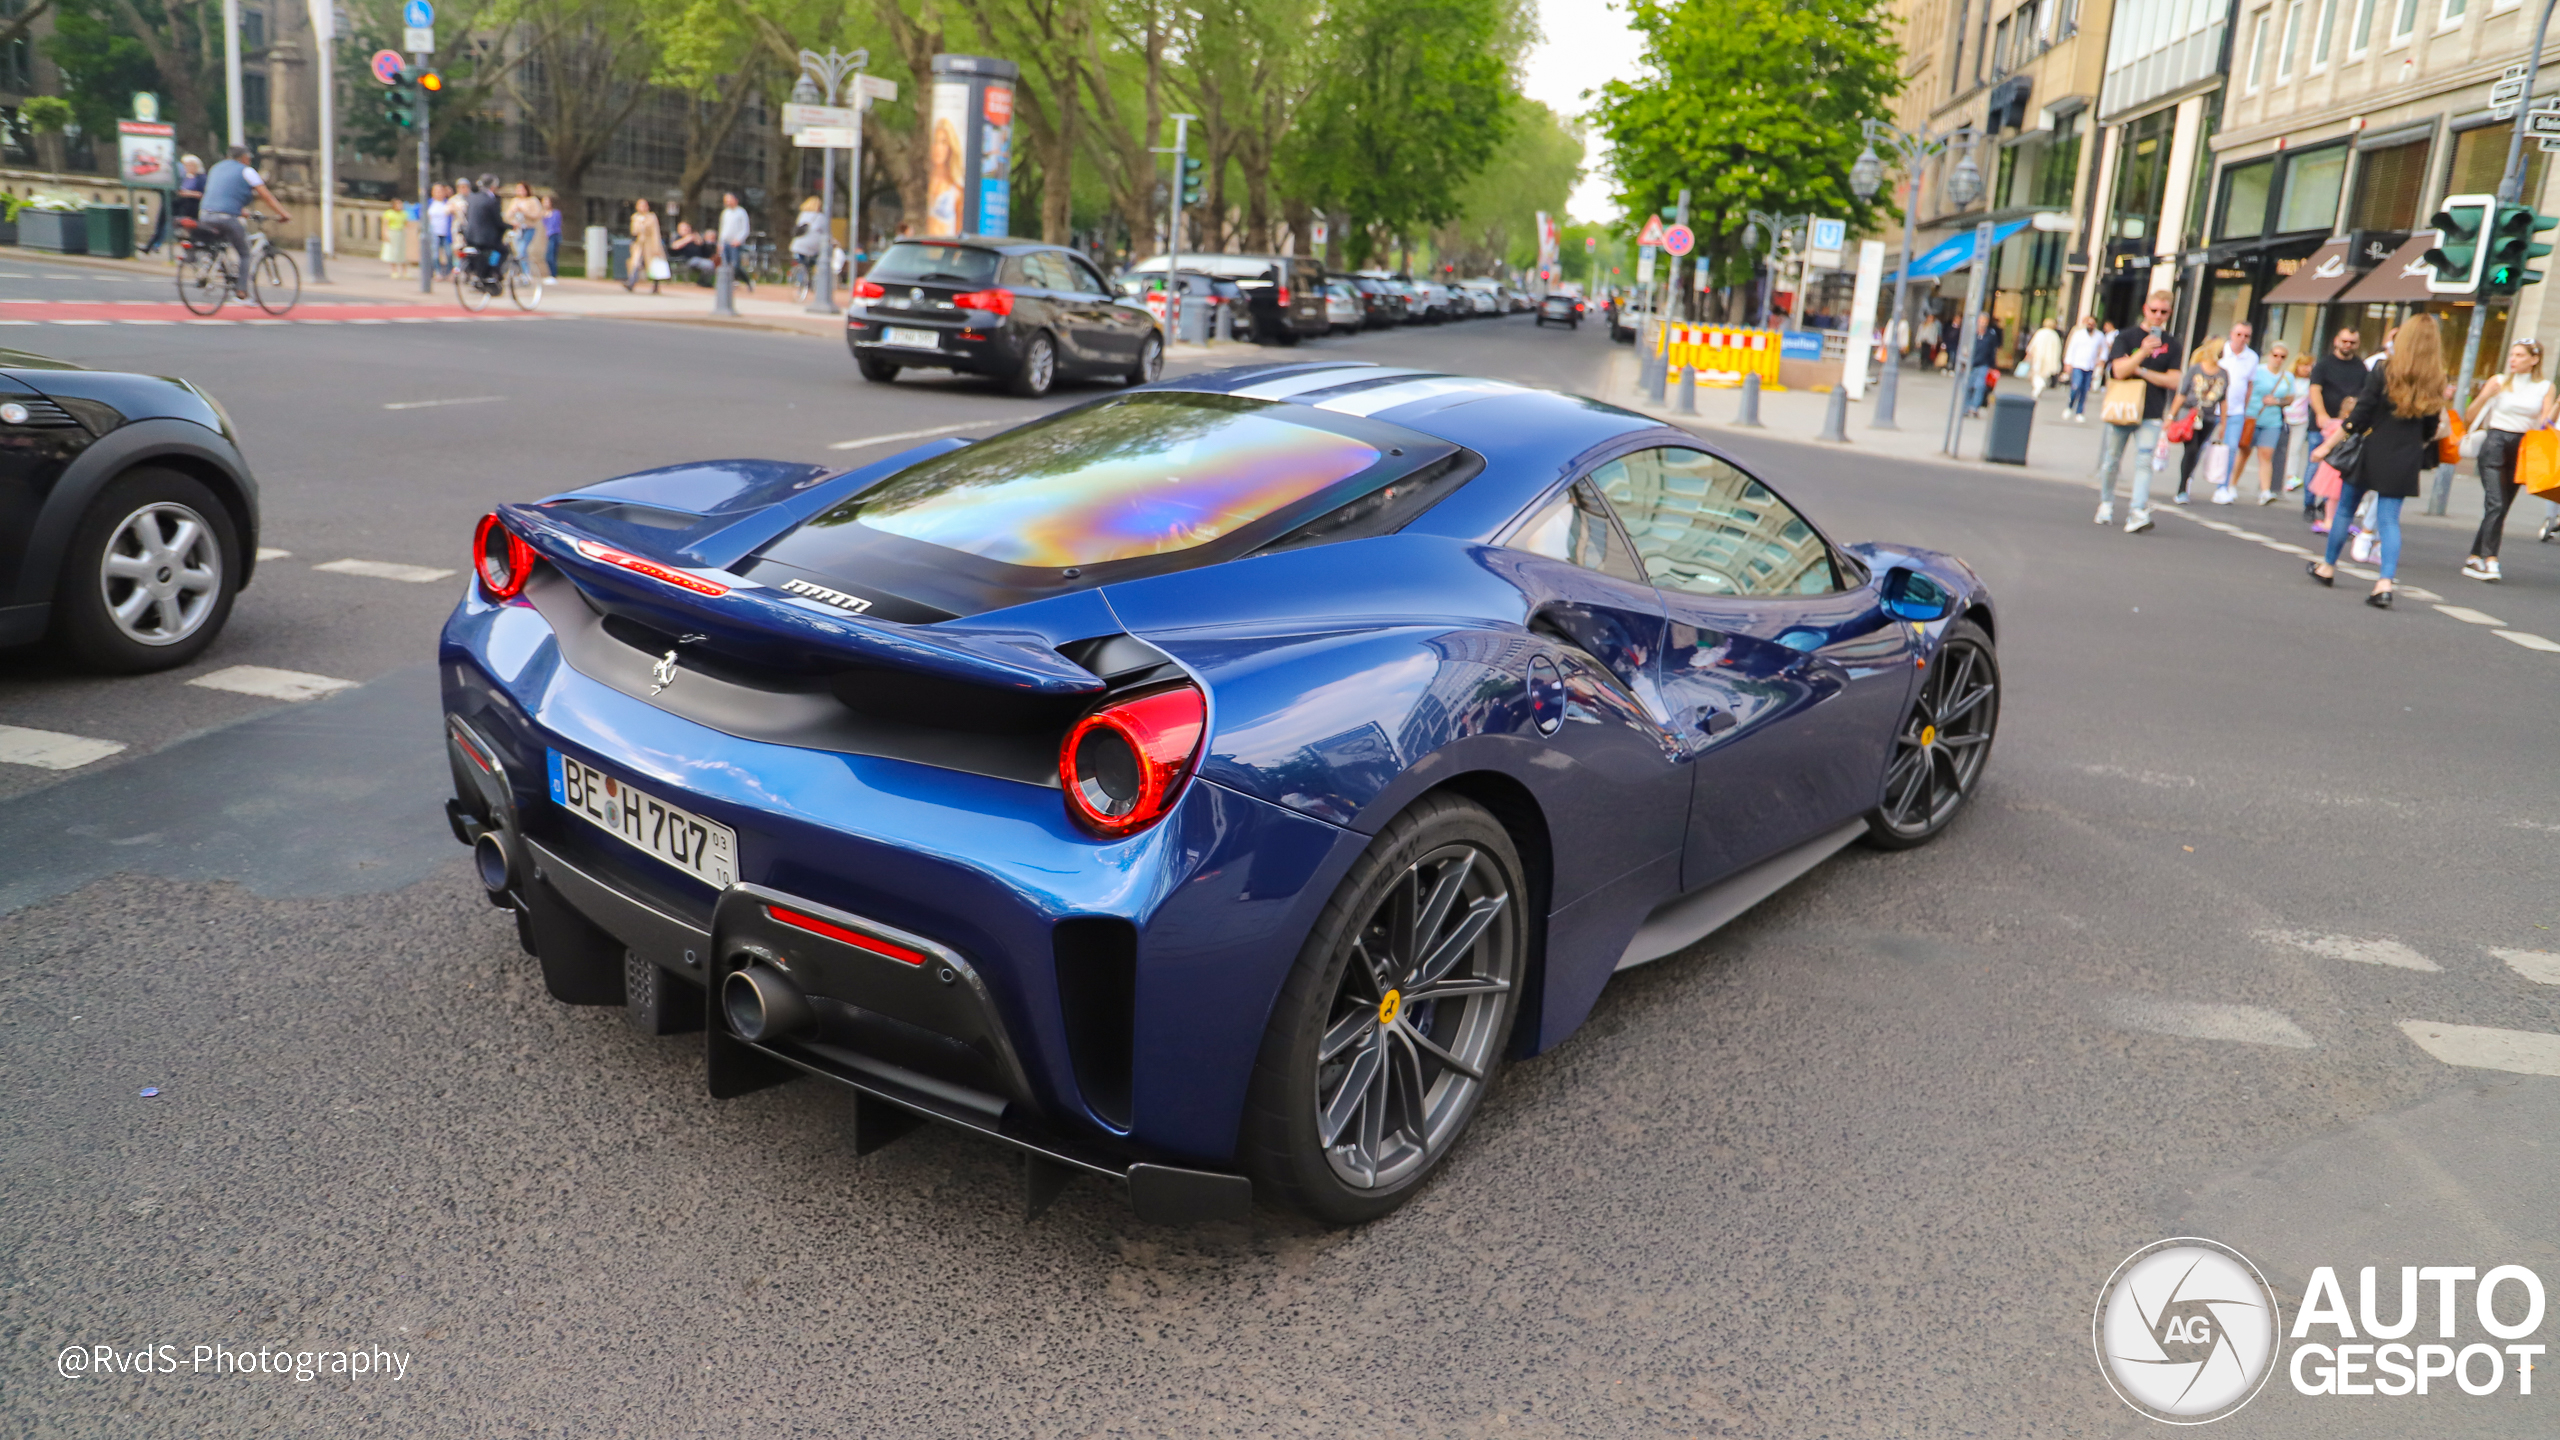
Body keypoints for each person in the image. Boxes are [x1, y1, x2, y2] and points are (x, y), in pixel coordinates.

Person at [2307, 313, 2448, 608]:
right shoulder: (2437, 378)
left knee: (2345, 508)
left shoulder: (2384, 370)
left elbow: (2359, 416)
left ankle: (2328, 567)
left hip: (2372, 451)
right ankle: (2384, 584)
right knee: (2389, 521)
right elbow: (2431, 427)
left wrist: (2327, 447)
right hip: (2406, 454)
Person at [2460, 340, 2558, 582]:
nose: (2513, 359)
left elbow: (2544, 424)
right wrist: (2484, 397)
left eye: (2519, 355)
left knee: (2501, 506)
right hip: (2495, 442)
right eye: (2512, 354)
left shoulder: (2545, 387)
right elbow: (2469, 417)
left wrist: (2555, 408)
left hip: (2522, 446)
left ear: (2534, 359)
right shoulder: (2499, 381)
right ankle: (2490, 559)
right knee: (2495, 503)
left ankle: (2474, 555)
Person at [2092, 289, 2182, 534]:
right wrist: (2142, 352)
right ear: (2145, 309)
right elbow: (2118, 370)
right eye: (2154, 310)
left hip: (2151, 412)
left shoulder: (2172, 343)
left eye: (2163, 312)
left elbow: (2174, 380)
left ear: (2169, 313)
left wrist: (2141, 371)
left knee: (2144, 461)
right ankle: (2106, 503)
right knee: (2111, 460)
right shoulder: (2127, 336)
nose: (2158, 316)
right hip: (2122, 407)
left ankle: (2137, 511)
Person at [197, 144, 291, 298]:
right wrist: (283, 213)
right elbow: (266, 195)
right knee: (245, 253)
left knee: (221, 244)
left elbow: (222, 195)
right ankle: (241, 290)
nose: (249, 160)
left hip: (205, 215)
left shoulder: (216, 168)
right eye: (249, 157)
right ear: (244, 157)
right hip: (226, 217)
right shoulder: (247, 171)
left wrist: (244, 213)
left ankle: (209, 266)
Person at [2305, 327, 2365, 531]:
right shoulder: (2324, 364)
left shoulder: (2360, 367)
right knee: (2316, 463)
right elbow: (2315, 389)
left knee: (2340, 468)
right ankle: (2310, 503)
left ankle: (2329, 506)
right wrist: (2321, 414)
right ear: (2336, 341)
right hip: (2324, 422)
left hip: (2349, 425)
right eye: (2345, 341)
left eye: (2352, 342)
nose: (2348, 345)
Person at [2161, 338, 2226, 506]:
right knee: (2192, 448)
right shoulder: (2195, 369)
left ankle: (2187, 478)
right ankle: (2182, 488)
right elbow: (2181, 394)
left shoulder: (2223, 373)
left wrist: (2223, 423)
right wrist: (2170, 416)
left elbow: (2223, 400)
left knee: (2197, 451)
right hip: (2190, 413)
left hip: (2209, 417)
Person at [2239, 342, 2297, 505]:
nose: (2278, 359)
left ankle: (2265, 491)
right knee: (2244, 453)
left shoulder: (2287, 376)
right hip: (2252, 417)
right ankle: (2231, 484)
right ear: (2269, 355)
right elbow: (2247, 391)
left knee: (2266, 455)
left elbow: (2290, 398)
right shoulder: (2258, 371)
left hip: (2272, 421)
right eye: (2275, 355)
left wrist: (2277, 400)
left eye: (2282, 356)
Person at [2209, 322, 2260, 503]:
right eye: (2239, 334)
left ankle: (2223, 487)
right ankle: (2186, 481)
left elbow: (2249, 384)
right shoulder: (2220, 351)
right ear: (2231, 334)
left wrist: (2244, 408)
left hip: (2236, 411)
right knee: (2200, 446)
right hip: (2212, 408)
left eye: (2246, 336)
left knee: (2230, 449)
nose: (2242, 339)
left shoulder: (2252, 357)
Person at [459, 173, 506, 286]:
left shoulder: (471, 198)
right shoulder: (491, 200)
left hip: (469, 236)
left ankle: (479, 274)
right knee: (504, 250)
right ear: (493, 186)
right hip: (484, 238)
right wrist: (509, 226)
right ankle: (494, 272)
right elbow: (498, 222)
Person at [2063, 315, 2104, 421]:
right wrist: (2068, 363)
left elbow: (2104, 349)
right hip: (2077, 364)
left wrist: (2101, 360)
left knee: (2084, 390)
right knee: (2076, 386)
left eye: (2092, 324)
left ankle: (2080, 412)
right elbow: (2071, 348)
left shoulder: (2099, 336)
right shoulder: (2078, 334)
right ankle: (2069, 406)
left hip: (2090, 366)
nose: (2090, 326)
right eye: (2088, 324)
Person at [624, 198, 666, 295]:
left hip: (650, 244)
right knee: (635, 263)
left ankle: (656, 286)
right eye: (640, 205)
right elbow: (633, 231)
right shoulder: (635, 217)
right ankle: (631, 283)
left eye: (644, 205)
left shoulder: (651, 217)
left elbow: (655, 233)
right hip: (639, 244)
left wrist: (656, 247)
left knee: (654, 264)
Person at [1963, 315, 2002, 416]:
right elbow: (1964, 347)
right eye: (1981, 321)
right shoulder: (1972, 334)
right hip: (1970, 364)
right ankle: (1966, 407)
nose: (1982, 323)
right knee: (1968, 386)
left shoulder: (1990, 335)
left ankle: (1974, 408)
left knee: (1980, 386)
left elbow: (1993, 350)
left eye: (1985, 321)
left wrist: (1993, 366)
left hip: (1983, 364)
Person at [504, 181, 544, 281]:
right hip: (518, 229)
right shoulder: (515, 201)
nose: (520, 191)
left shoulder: (532, 200)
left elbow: (537, 215)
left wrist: (524, 211)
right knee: (517, 251)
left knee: (522, 250)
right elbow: (507, 216)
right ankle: (520, 272)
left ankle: (526, 273)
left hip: (528, 228)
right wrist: (513, 213)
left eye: (522, 189)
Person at [718, 191, 753, 292]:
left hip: (735, 243)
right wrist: (720, 243)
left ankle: (746, 281)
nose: (727, 202)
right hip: (726, 242)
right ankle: (728, 284)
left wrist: (738, 240)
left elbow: (745, 229)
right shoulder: (725, 213)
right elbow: (722, 229)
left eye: (729, 199)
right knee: (725, 264)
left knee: (735, 266)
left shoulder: (741, 212)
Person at [790, 195, 825, 286]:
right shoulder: (821, 217)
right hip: (814, 246)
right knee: (817, 262)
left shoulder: (802, 215)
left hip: (798, 245)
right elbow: (827, 233)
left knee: (801, 263)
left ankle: (801, 282)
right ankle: (814, 281)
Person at [2028, 317, 2064, 401]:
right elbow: (2058, 349)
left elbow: (2033, 345)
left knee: (2037, 373)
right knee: (2044, 373)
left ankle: (2038, 386)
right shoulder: (2055, 335)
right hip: (2050, 358)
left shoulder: (2040, 333)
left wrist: (2029, 354)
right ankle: (2039, 387)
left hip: (2038, 356)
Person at [426, 182, 455, 278]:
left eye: (440, 191)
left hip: (446, 232)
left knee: (449, 253)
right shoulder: (429, 203)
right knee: (435, 254)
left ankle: (448, 272)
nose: (438, 193)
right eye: (436, 191)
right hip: (434, 232)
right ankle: (437, 272)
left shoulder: (448, 203)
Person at [382, 201, 409, 279]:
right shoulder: (389, 213)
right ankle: (394, 270)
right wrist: (385, 234)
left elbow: (406, 223)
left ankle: (404, 272)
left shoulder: (404, 213)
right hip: (392, 232)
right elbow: (385, 224)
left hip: (401, 232)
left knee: (402, 252)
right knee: (393, 252)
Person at [543, 197, 563, 285]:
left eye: (547, 201)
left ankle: (553, 275)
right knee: (549, 256)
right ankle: (551, 275)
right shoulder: (544, 214)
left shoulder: (556, 213)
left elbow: (554, 224)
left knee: (550, 256)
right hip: (549, 235)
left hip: (554, 235)